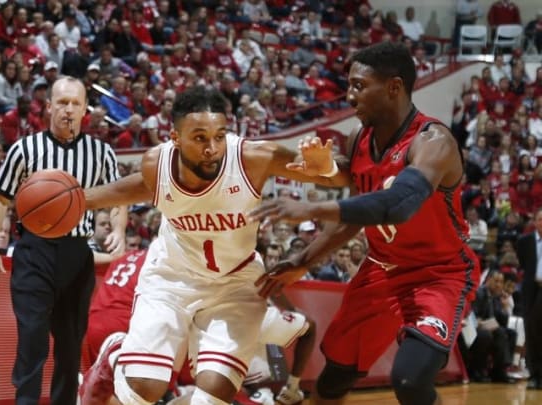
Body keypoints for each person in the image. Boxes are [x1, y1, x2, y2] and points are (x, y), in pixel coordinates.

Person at [80, 85, 346, 405]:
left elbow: (345, 178)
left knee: (214, 394)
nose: (212, 148)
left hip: (234, 282)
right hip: (172, 277)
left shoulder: (254, 158)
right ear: (175, 138)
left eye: (219, 135)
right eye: (200, 137)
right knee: (144, 390)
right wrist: (79, 200)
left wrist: (326, 168)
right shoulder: (157, 163)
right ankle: (113, 357)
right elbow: (131, 189)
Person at [248, 42, 480, 405]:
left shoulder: (434, 142)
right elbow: (356, 209)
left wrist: (312, 209)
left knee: (409, 380)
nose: (349, 95)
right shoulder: (360, 139)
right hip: (382, 271)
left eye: (359, 85)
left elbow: (398, 204)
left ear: (393, 87)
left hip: (439, 273)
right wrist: (303, 260)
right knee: (333, 379)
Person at [0, 76, 127, 405]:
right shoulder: (25, 149)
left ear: (84, 110)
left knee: (70, 344)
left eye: (76, 104)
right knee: (32, 337)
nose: (68, 110)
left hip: (77, 252)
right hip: (34, 250)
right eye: (62, 103)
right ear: (48, 107)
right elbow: (0, 199)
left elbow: (119, 198)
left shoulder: (100, 152)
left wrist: (118, 229)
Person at [83, 248, 314, 405]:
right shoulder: (184, 265)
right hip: (129, 326)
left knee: (131, 395)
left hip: (95, 323)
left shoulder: (136, 255)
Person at [516, 206, 542, 390]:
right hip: (531, 289)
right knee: (531, 333)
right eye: (540, 219)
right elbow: (523, 264)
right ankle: (535, 375)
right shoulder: (524, 241)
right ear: (534, 221)